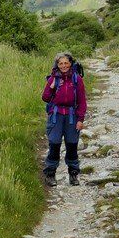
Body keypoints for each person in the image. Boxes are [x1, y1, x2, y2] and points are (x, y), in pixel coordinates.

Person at [41, 52, 87, 186]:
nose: (63, 65)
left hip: (72, 116)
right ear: (57, 65)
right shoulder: (53, 79)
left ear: (70, 63)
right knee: (54, 144)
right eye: (61, 63)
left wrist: (80, 120)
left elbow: (82, 101)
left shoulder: (77, 79)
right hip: (56, 115)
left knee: (72, 144)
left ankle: (73, 175)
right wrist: (51, 87)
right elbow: (45, 98)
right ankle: (50, 175)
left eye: (66, 63)